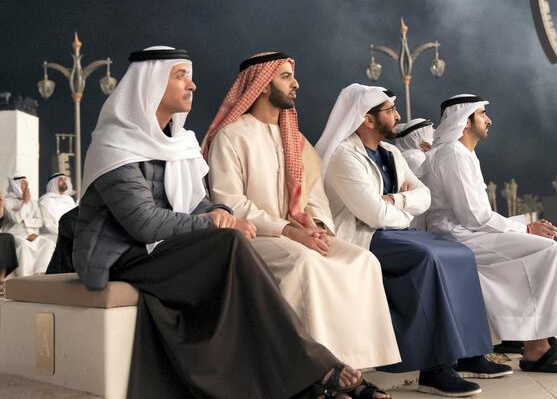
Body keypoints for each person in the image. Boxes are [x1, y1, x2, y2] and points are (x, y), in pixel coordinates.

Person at [74, 46, 363, 399]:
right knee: (229, 245)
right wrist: (216, 223)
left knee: (235, 258)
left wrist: (221, 215)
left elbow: (196, 203)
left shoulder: (178, 143)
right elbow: (143, 225)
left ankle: (297, 380)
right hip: (123, 256)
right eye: (180, 76)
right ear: (148, 85)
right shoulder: (115, 145)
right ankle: (311, 368)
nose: (192, 85)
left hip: (162, 250)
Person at [205, 52, 399, 397]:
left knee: (362, 261)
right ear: (262, 85)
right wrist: (290, 230)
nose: (295, 84)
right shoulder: (232, 137)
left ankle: (350, 369)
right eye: (285, 77)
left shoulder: (296, 140)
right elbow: (231, 202)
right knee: (306, 264)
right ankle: (313, 374)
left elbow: (314, 194)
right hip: (254, 237)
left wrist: (317, 224)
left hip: (299, 233)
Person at [318, 84, 511, 398]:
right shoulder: (344, 155)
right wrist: (399, 207)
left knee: (459, 253)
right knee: (429, 258)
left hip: (394, 231)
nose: (397, 116)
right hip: (363, 237)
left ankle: (470, 353)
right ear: (368, 119)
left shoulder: (391, 153)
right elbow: (374, 215)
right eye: (390, 111)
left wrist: (394, 201)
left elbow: (424, 196)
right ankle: (435, 369)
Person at [420, 94, 557, 373]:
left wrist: (524, 228)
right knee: (545, 251)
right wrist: (525, 227)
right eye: (482, 114)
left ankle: (541, 336)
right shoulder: (452, 153)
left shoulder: (462, 153)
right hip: (457, 236)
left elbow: (476, 215)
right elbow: (472, 216)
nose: (489, 120)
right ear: (465, 120)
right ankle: (536, 348)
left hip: (468, 232)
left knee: (540, 248)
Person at [0, 174, 55, 276]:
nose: (26, 187)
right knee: (24, 246)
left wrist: (25, 222)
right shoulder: (7, 202)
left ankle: (40, 273)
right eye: (23, 184)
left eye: (26, 184)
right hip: (14, 235)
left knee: (48, 243)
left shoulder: (33, 203)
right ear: (15, 185)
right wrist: (25, 203)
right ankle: (24, 277)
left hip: (31, 235)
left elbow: (39, 221)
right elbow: (16, 219)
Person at [38, 173, 76, 242]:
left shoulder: (69, 200)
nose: (65, 182)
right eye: (61, 179)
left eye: (65, 179)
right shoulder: (45, 201)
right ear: (53, 183)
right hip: (51, 235)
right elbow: (48, 224)